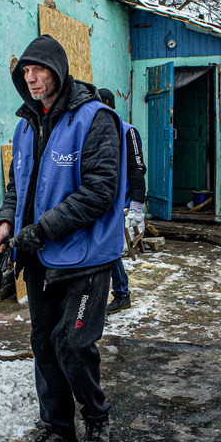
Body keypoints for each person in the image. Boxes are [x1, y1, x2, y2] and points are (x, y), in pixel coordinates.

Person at [0, 35, 125, 442]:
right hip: (39, 257)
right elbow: (18, 188)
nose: (30, 78)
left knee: (72, 342)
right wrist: (6, 221)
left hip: (86, 257)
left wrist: (42, 229)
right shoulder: (26, 124)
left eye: (39, 70)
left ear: (58, 71)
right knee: (44, 344)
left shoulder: (94, 119)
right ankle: (58, 430)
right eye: (25, 72)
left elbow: (101, 191)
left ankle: (97, 418)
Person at [96, 88, 145, 314]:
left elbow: (136, 169)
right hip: (96, 199)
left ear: (111, 107)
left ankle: (122, 293)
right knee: (102, 247)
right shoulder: (95, 130)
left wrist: (137, 204)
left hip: (117, 201)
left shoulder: (127, 131)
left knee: (110, 248)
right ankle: (111, 293)